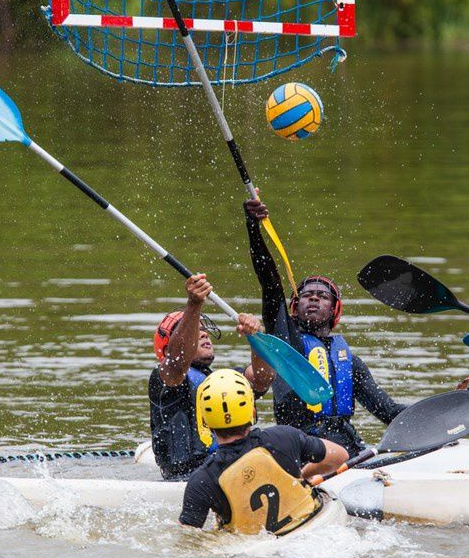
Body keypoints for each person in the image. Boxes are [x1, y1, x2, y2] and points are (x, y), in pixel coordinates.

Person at [243, 193, 410, 458]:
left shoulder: (349, 362)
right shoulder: (287, 342)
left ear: (334, 310)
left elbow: (388, 411)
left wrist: (449, 408)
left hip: (347, 448)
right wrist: (253, 227)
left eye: (322, 297)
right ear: (294, 307)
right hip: (302, 449)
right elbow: (270, 282)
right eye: (307, 295)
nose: (313, 299)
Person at [179, 369, 348, 534]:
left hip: (255, 548)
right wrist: (303, 476)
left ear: (204, 420)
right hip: (314, 530)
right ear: (252, 410)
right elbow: (340, 456)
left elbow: (188, 538)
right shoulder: (284, 437)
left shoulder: (202, 480)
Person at [149, 273, 274, 480]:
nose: (204, 334)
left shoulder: (223, 380)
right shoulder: (165, 377)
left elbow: (263, 379)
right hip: (185, 478)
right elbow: (179, 360)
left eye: (204, 330)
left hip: (227, 471)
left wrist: (256, 338)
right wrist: (194, 303)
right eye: (195, 331)